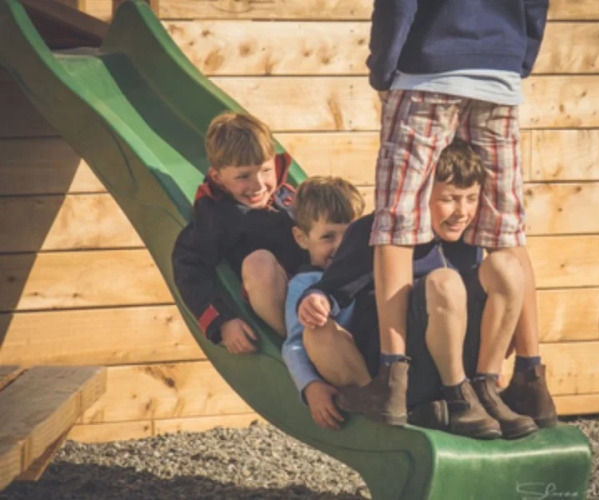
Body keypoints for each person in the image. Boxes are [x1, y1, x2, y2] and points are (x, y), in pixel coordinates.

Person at [363, 0, 553, 427]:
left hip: (427, 69)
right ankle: (531, 378)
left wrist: (384, 70)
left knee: (397, 224)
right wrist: (516, 58)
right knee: (507, 232)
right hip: (500, 73)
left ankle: (392, 380)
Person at [295, 140, 553, 439]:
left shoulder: (469, 236)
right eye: (450, 199)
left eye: (471, 198)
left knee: (506, 266)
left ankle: (485, 390)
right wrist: (315, 299)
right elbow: (332, 289)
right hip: (406, 368)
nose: (462, 211)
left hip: (463, 363)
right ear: (418, 194)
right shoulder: (372, 231)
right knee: (444, 282)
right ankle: (452, 399)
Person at [172, 112, 308, 352]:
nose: (258, 184)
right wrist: (223, 321)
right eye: (243, 176)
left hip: (316, 295)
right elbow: (189, 265)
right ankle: (297, 340)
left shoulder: (288, 198)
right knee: (259, 262)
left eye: (266, 170)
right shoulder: (216, 215)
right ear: (218, 177)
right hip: (280, 302)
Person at [282, 176, 366, 430]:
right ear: (301, 238)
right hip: (341, 365)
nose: (341, 246)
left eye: (350, 235)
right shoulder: (304, 284)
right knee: (316, 328)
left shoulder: (367, 270)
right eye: (328, 237)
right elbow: (294, 343)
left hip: (378, 359)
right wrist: (311, 385)